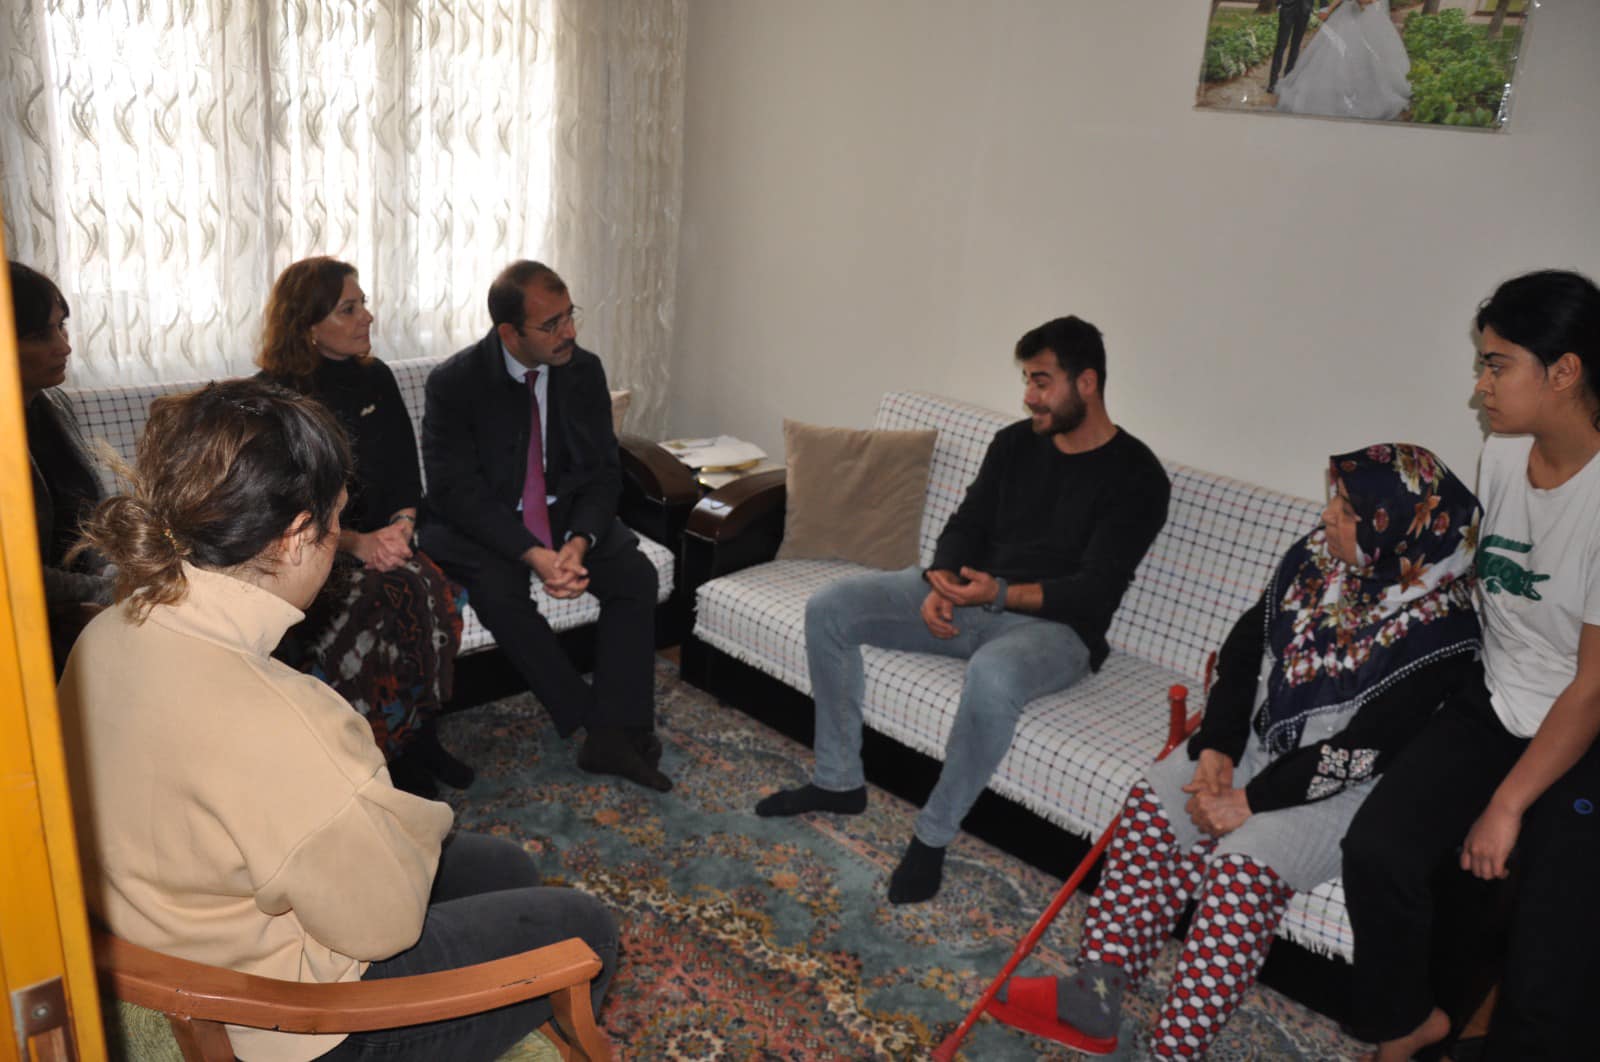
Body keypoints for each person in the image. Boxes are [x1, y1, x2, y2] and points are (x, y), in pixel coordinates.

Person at [59, 379, 617, 1062]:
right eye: (336, 520)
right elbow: (384, 925)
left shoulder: (103, 634)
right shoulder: (290, 719)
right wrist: (398, 823)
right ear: (297, 537)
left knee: (505, 867)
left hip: (174, 928)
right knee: (585, 929)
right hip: (286, 1018)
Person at [990, 444, 1482, 1059]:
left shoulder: (1442, 630)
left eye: (1349, 511)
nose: (1327, 515)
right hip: (1256, 736)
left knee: (1240, 871)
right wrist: (1218, 747)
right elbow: (1245, 645)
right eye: (1335, 499)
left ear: (1398, 532)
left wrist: (1248, 802)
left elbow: (1360, 752)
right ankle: (1095, 996)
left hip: (1341, 789)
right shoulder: (1317, 557)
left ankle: (1174, 1050)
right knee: (1153, 805)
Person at [756, 316, 1172, 903]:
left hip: (1055, 631)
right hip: (971, 597)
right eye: (1027, 381)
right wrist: (943, 580)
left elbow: (1093, 591)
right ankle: (838, 781)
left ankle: (931, 837)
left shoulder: (1138, 477)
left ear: (1087, 383)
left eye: (1041, 382)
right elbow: (967, 522)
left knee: (993, 673)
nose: (1029, 396)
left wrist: (996, 594)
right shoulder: (1015, 443)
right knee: (830, 607)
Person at [1343, 270, 1600, 1062]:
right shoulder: (1502, 454)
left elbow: (1591, 687)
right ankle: (1408, 1025)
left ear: (1565, 371)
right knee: (1377, 851)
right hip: (1496, 695)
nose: (1480, 387)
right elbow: (1481, 586)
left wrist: (1507, 804)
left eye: (1496, 365)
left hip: (1584, 725)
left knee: (1549, 954)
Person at [419, 260, 669, 792]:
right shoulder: (455, 384)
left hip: (563, 512)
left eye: (569, 316)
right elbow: (455, 491)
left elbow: (603, 473)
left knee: (635, 576)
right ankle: (598, 724)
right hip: (484, 520)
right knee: (498, 591)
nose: (569, 332)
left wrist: (579, 541)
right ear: (509, 333)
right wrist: (532, 553)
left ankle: (618, 729)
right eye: (551, 325)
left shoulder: (584, 370)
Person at [257, 257, 469, 798]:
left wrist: (400, 528)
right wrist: (356, 544)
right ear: (307, 324)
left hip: (386, 541)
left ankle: (420, 737)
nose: (367, 317)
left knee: (430, 589)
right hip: (313, 551)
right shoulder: (275, 398)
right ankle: (379, 754)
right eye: (348, 309)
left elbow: (405, 474)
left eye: (363, 304)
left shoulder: (376, 377)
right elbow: (283, 508)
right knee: (377, 603)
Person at [9, 260, 114, 672]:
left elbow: (88, 514)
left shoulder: (52, 403)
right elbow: (16, 576)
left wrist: (112, 573)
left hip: (73, 601)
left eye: (61, 327)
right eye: (40, 335)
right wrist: (108, 592)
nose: (64, 347)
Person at [1275, 0, 1411, 122]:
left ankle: (1367, 92)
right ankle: (1335, 93)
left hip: (1369, 15)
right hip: (1347, 14)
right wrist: (1328, 10)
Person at [1266, 0, 1315, 95]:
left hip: (1305, 8)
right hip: (1287, 6)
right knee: (1281, 44)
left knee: (1295, 45)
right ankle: (1272, 82)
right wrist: (1279, 3)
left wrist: (1323, 6)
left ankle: (1287, 79)